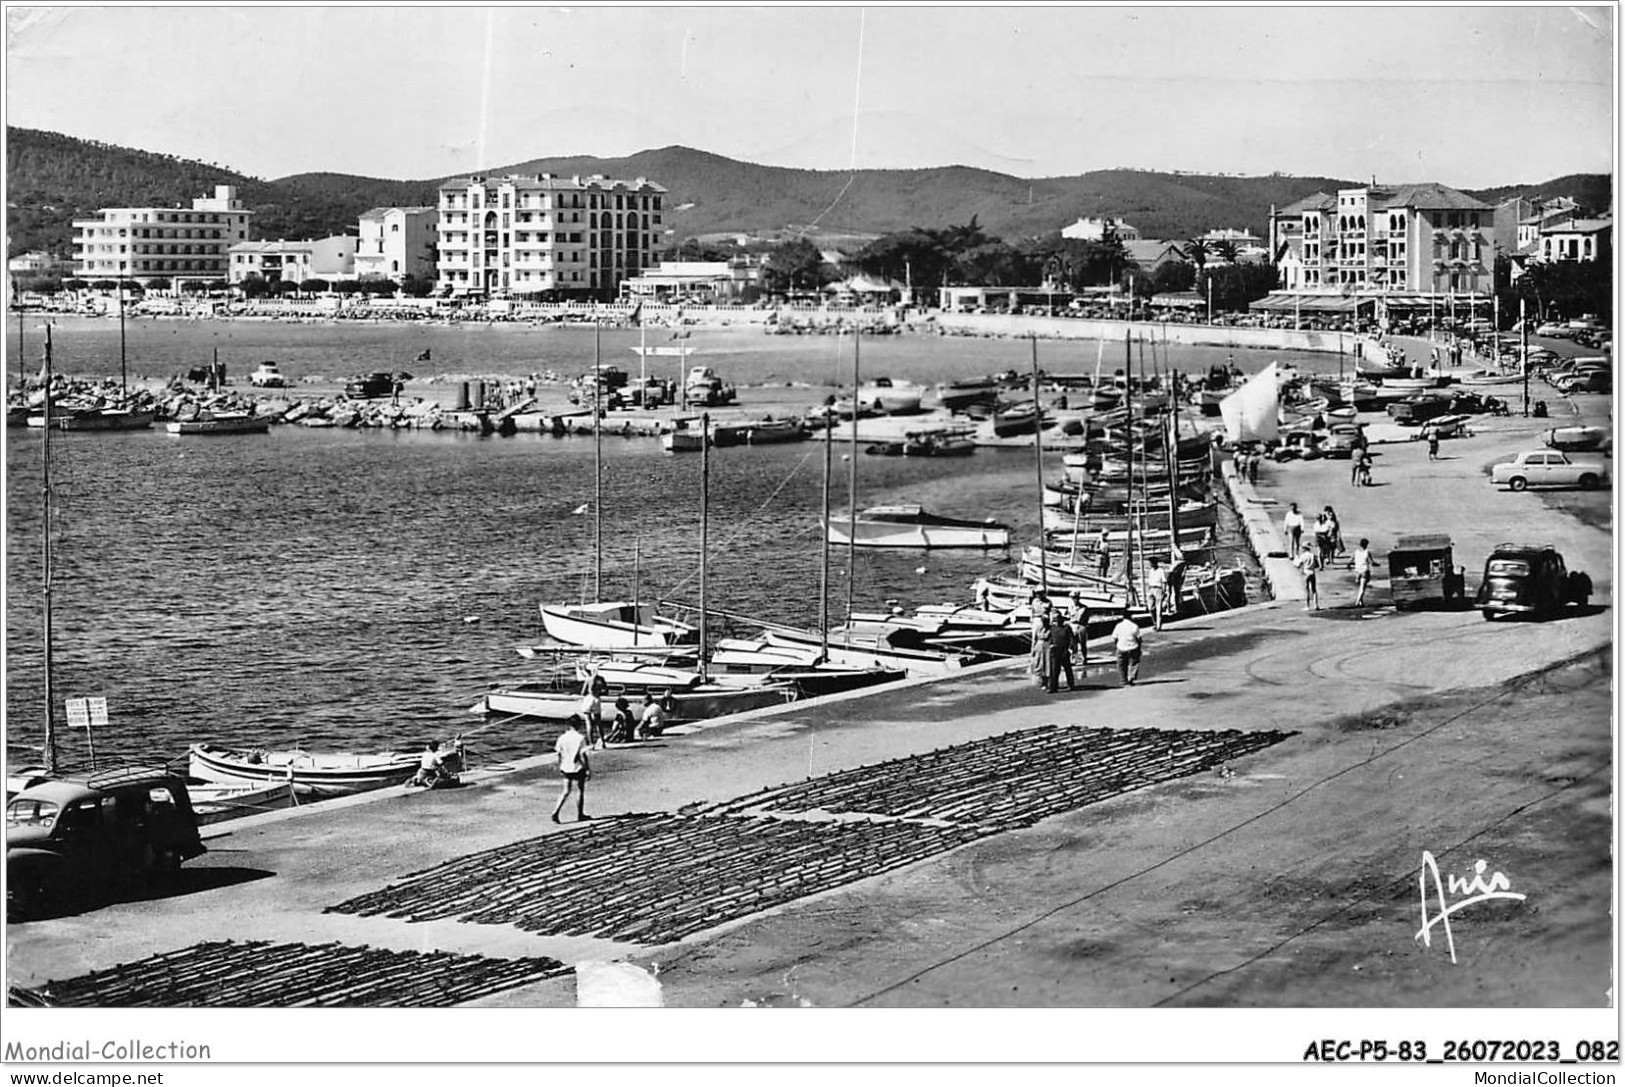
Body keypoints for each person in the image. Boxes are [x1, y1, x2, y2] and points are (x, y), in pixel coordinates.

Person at [550, 716, 590, 824]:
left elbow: (558, 753)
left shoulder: (562, 738)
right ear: (579, 725)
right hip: (577, 767)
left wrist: (559, 765)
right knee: (580, 790)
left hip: (565, 766)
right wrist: (588, 769)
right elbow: (583, 755)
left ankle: (556, 811)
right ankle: (580, 814)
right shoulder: (581, 738)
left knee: (566, 791)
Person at [1111, 608, 1143, 687]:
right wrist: (1139, 649)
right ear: (1130, 616)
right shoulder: (1134, 626)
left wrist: (1117, 646)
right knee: (1134, 663)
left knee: (1121, 665)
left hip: (1121, 647)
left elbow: (1114, 638)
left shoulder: (1118, 626)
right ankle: (1131, 678)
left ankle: (1123, 680)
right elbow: (1139, 638)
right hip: (1133, 647)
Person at [1047, 613, 1075, 692]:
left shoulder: (1066, 628)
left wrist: (1072, 648)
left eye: (1059, 619)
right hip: (1055, 650)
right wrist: (1050, 645)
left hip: (1064, 649)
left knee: (1067, 668)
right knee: (1054, 670)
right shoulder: (1052, 628)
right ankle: (1053, 687)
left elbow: (1072, 638)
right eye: (1056, 620)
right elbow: (1049, 638)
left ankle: (1071, 685)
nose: (1057, 621)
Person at [1144, 557, 1169, 632]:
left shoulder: (1160, 571)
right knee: (1150, 608)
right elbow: (1149, 580)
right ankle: (1155, 623)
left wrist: (1164, 591)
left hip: (1158, 589)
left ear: (1155, 563)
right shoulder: (1151, 571)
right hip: (1151, 589)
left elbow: (1164, 581)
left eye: (1152, 563)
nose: (1151, 564)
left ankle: (1158, 626)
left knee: (1159, 608)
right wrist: (1148, 590)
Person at [1031, 613, 1055, 691]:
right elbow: (1034, 639)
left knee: (1048, 664)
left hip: (1047, 646)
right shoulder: (1038, 627)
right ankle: (1042, 682)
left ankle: (1048, 682)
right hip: (1039, 646)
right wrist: (1033, 649)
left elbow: (1053, 638)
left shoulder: (1051, 628)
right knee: (1040, 664)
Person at [1294, 545, 1322, 611]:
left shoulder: (1303, 556)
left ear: (1304, 549)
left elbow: (1298, 565)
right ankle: (1316, 605)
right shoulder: (1313, 555)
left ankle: (1307, 606)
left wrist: (1296, 559)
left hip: (1306, 572)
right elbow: (1317, 565)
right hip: (1312, 572)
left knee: (1307, 590)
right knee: (1314, 589)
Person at [1067, 592, 1090, 671]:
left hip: (1081, 626)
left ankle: (1084, 658)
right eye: (1073, 598)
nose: (1074, 599)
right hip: (1072, 625)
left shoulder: (1084, 608)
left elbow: (1085, 618)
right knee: (1073, 644)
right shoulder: (1070, 607)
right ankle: (1074, 659)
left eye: (1075, 598)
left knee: (1083, 644)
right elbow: (1069, 616)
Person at [1351, 537, 1373, 607]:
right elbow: (1371, 562)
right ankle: (1357, 602)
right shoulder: (1367, 552)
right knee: (1362, 588)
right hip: (1364, 570)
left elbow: (1351, 560)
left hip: (1357, 571)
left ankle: (1361, 602)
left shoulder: (1356, 552)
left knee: (1360, 587)